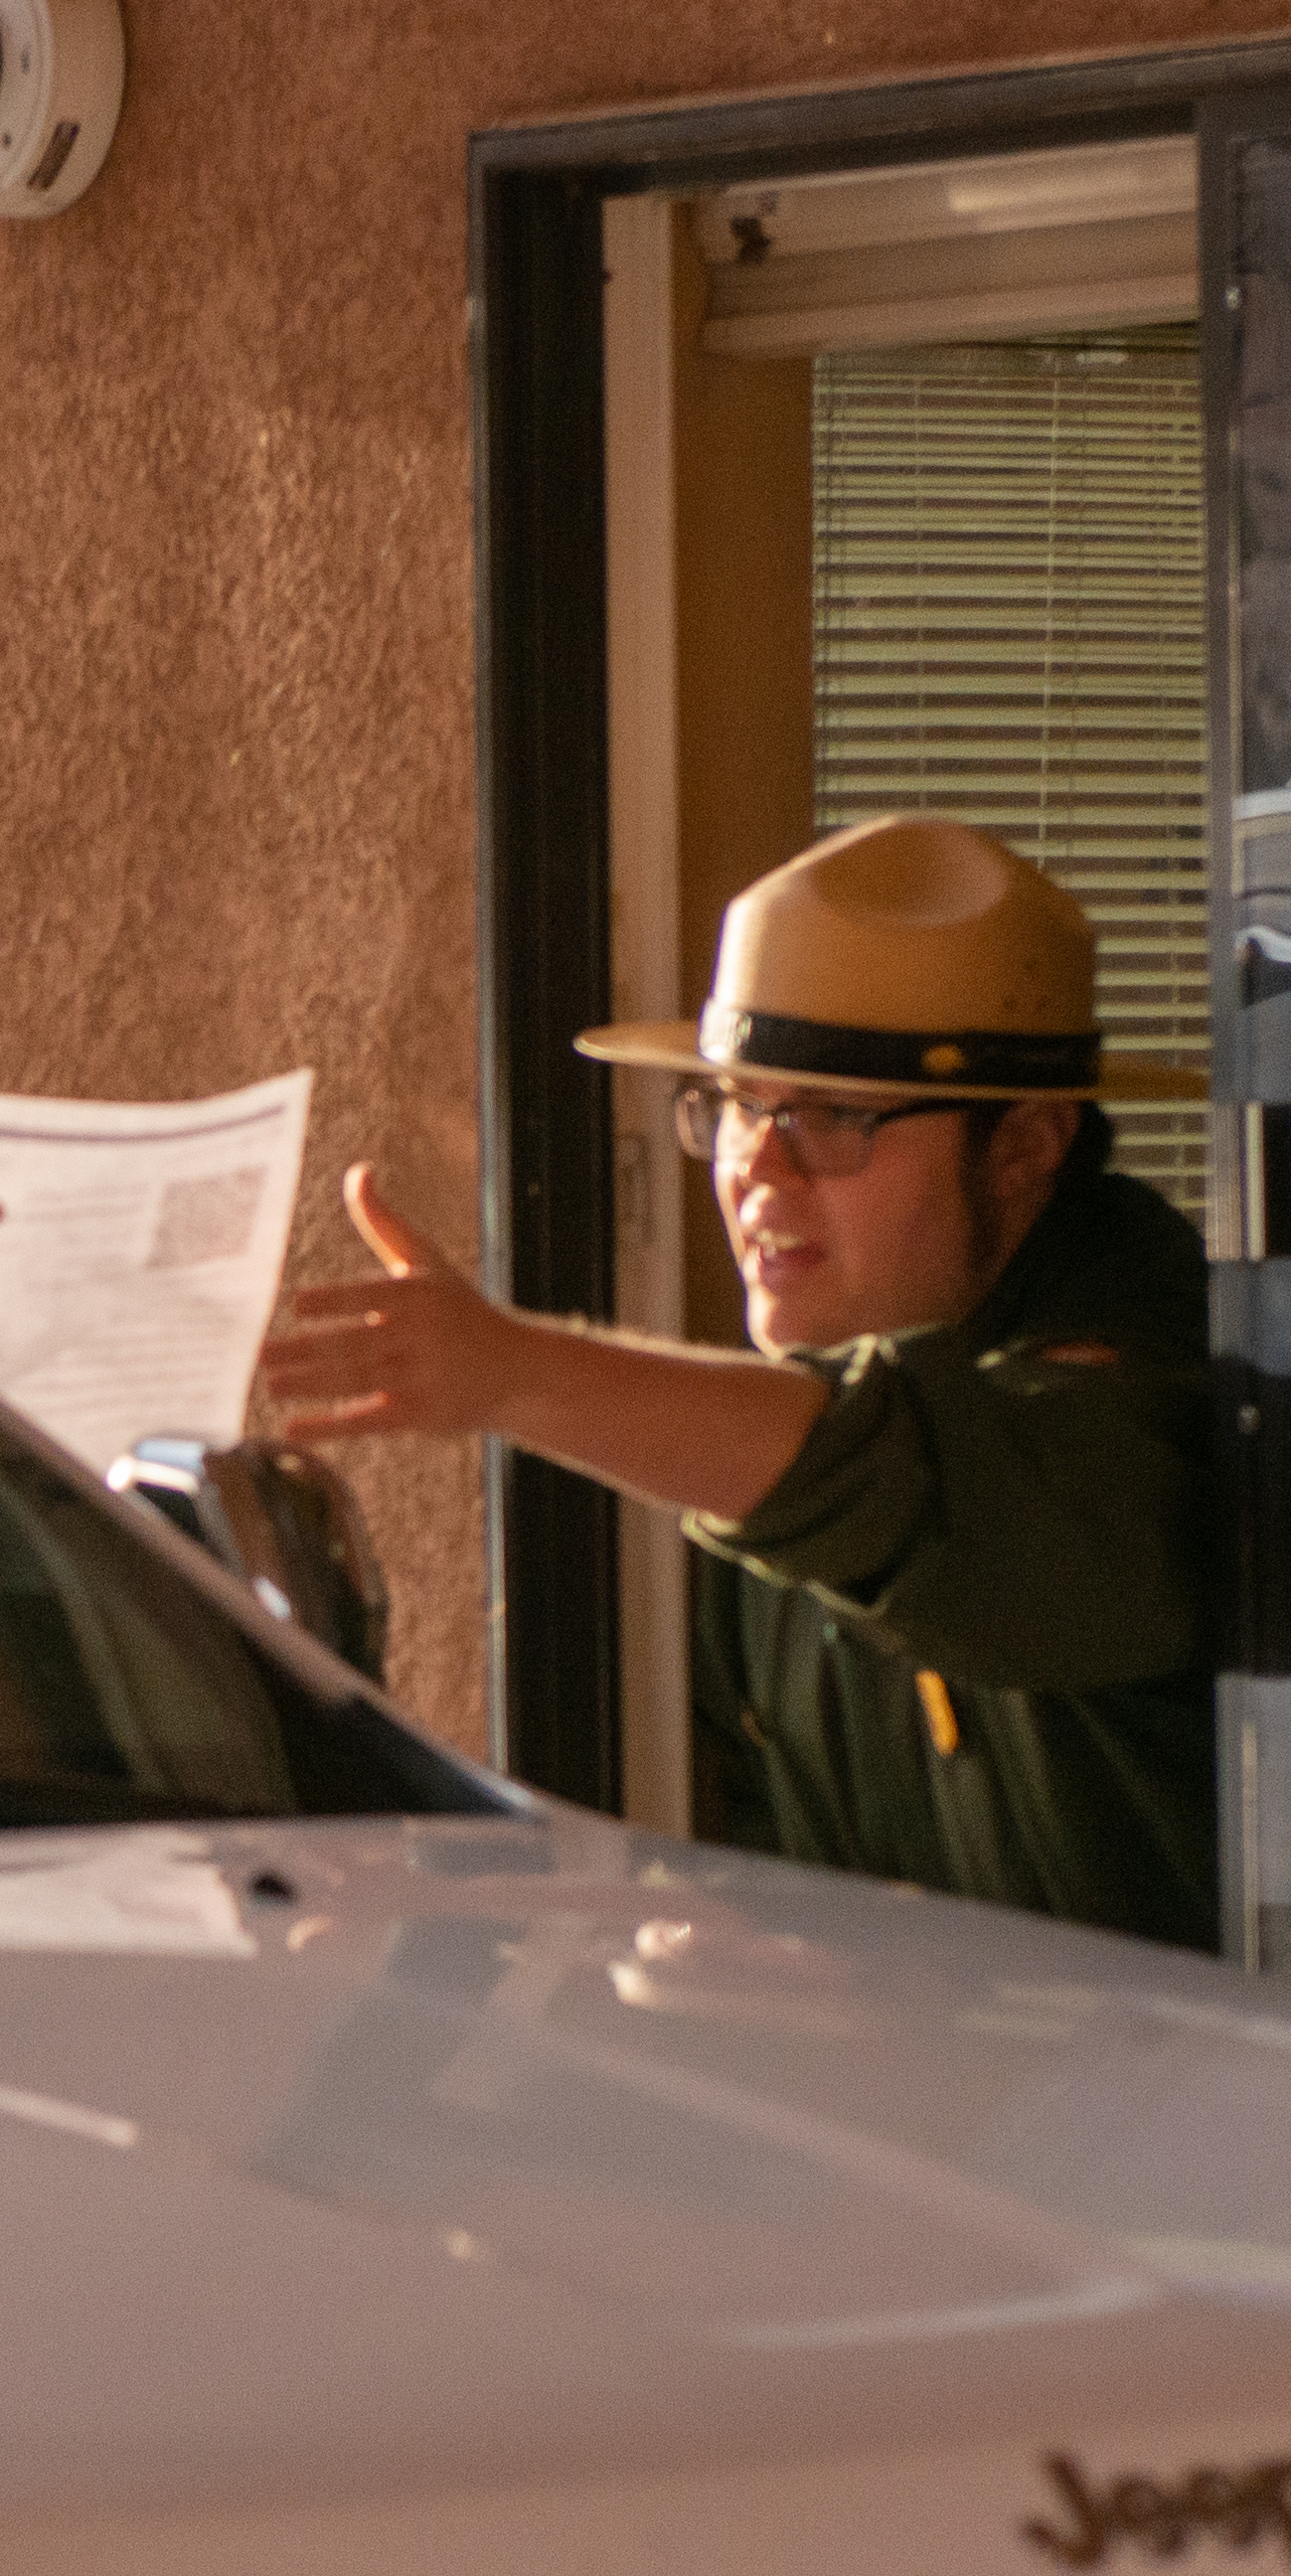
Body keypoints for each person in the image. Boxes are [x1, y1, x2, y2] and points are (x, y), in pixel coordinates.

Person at [253, 814, 1216, 1949]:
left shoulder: (1145, 1412)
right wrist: (463, 1909)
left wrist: (511, 1373)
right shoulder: (769, 1464)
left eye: (837, 1117)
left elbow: (906, 1486)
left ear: (1024, 1149)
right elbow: (813, 1915)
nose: (756, 1165)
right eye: (739, 1106)